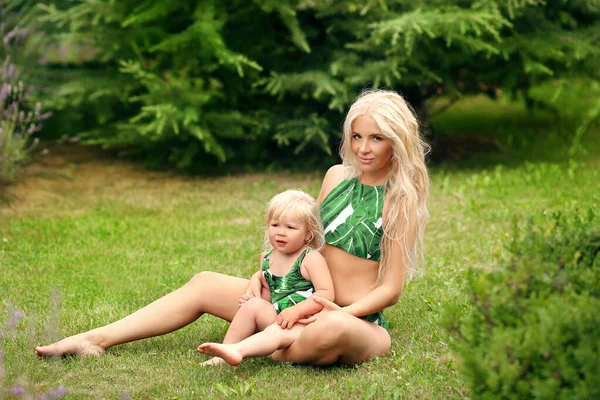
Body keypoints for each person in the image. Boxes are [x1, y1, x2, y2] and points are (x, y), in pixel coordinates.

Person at [36, 89, 430, 366]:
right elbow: (306, 244)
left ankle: (268, 344)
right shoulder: (336, 177)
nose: (363, 148)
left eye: (377, 138)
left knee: (330, 332)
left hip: (352, 319)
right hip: (296, 300)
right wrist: (267, 278)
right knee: (205, 281)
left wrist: (328, 309)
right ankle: (96, 339)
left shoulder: (401, 200)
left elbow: (391, 289)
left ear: (397, 142)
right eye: (357, 136)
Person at [198, 189, 334, 366]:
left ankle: (242, 349)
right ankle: (225, 352)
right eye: (275, 225)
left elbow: (326, 293)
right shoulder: (268, 258)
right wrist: (254, 293)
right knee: (252, 305)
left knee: (274, 331)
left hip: (304, 324)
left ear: (308, 234)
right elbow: (272, 293)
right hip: (279, 318)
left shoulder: (310, 258)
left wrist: (297, 311)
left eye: (290, 227)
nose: (281, 232)